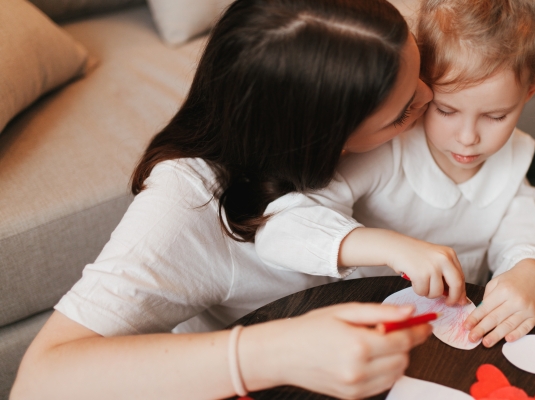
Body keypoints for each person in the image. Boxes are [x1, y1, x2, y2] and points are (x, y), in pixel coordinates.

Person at [10, 0, 435, 398]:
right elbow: (39, 381)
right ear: (315, 142)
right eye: (400, 114)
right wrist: (265, 354)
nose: (430, 97)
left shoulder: (409, 102)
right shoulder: (190, 205)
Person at [255, 0, 535, 349]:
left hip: (448, 333)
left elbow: (528, 236)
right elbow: (280, 229)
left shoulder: (509, 160)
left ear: (531, 90)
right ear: (420, 83)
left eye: (495, 116)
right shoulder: (390, 150)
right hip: (362, 329)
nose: (468, 137)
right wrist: (392, 247)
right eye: (446, 109)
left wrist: (532, 273)